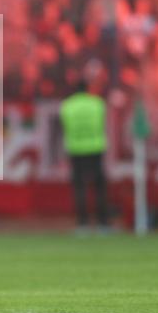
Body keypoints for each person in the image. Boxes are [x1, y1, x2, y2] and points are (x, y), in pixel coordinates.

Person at [59, 80, 109, 232]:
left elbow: (65, 127)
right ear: (88, 89)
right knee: (99, 187)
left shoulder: (67, 106)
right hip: (95, 147)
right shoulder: (98, 104)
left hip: (76, 149)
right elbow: (102, 123)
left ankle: (83, 223)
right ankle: (102, 223)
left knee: (79, 187)